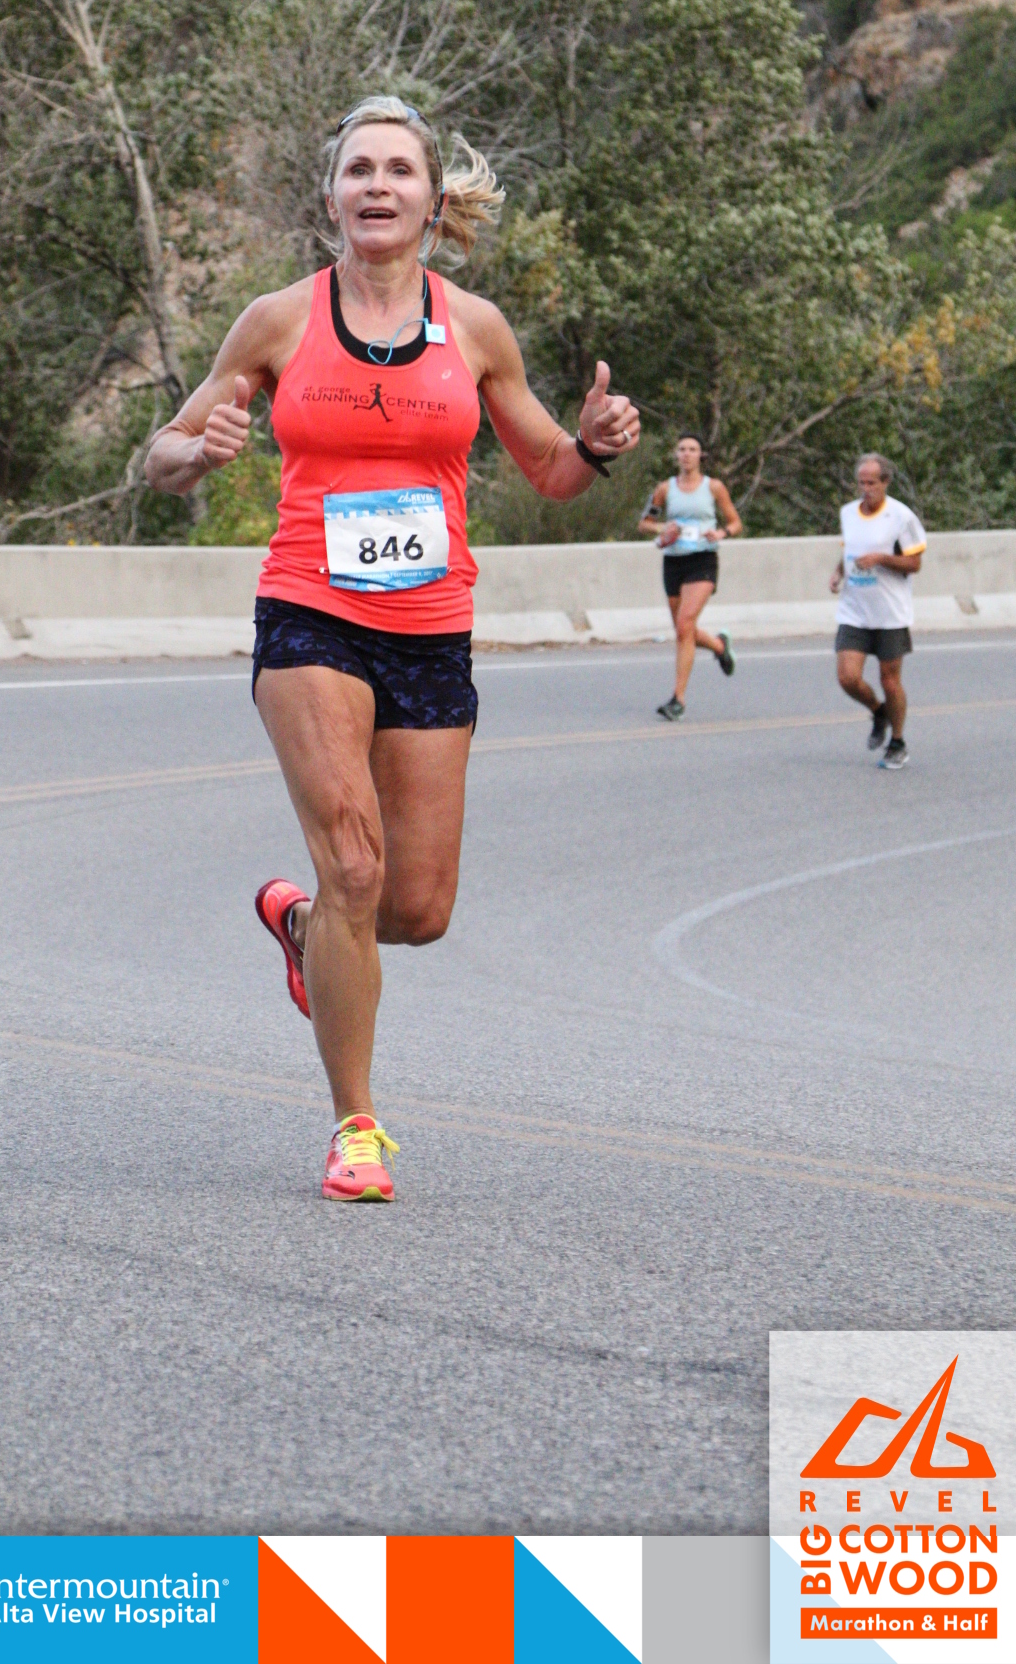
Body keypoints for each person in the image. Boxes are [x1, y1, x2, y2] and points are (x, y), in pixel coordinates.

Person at [144, 96, 640, 1202]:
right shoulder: (278, 320)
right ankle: (355, 1126)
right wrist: (199, 448)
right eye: (358, 169)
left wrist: (595, 445)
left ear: (431, 198)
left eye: (398, 170)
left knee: (413, 909)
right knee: (355, 867)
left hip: (430, 628)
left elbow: (551, 470)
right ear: (331, 197)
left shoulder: (476, 329)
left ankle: (305, 927)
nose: (377, 185)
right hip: (309, 613)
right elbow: (160, 453)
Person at [829, 453, 926, 771]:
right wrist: (838, 573)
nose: (866, 489)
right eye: (861, 483)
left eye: (872, 483)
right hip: (854, 610)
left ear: (885, 482)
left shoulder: (901, 517)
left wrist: (881, 559)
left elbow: (914, 563)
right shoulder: (848, 513)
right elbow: (850, 550)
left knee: (890, 680)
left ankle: (897, 742)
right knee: (847, 677)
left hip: (889, 613)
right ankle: (878, 711)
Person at [639, 434, 743, 720]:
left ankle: (678, 699)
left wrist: (721, 533)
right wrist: (663, 528)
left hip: (703, 560)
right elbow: (644, 523)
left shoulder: (714, 487)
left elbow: (735, 522)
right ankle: (720, 646)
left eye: (692, 449)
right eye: (682, 449)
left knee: (685, 624)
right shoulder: (665, 489)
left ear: (701, 456)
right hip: (674, 561)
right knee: (683, 631)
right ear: (676, 455)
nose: (686, 454)